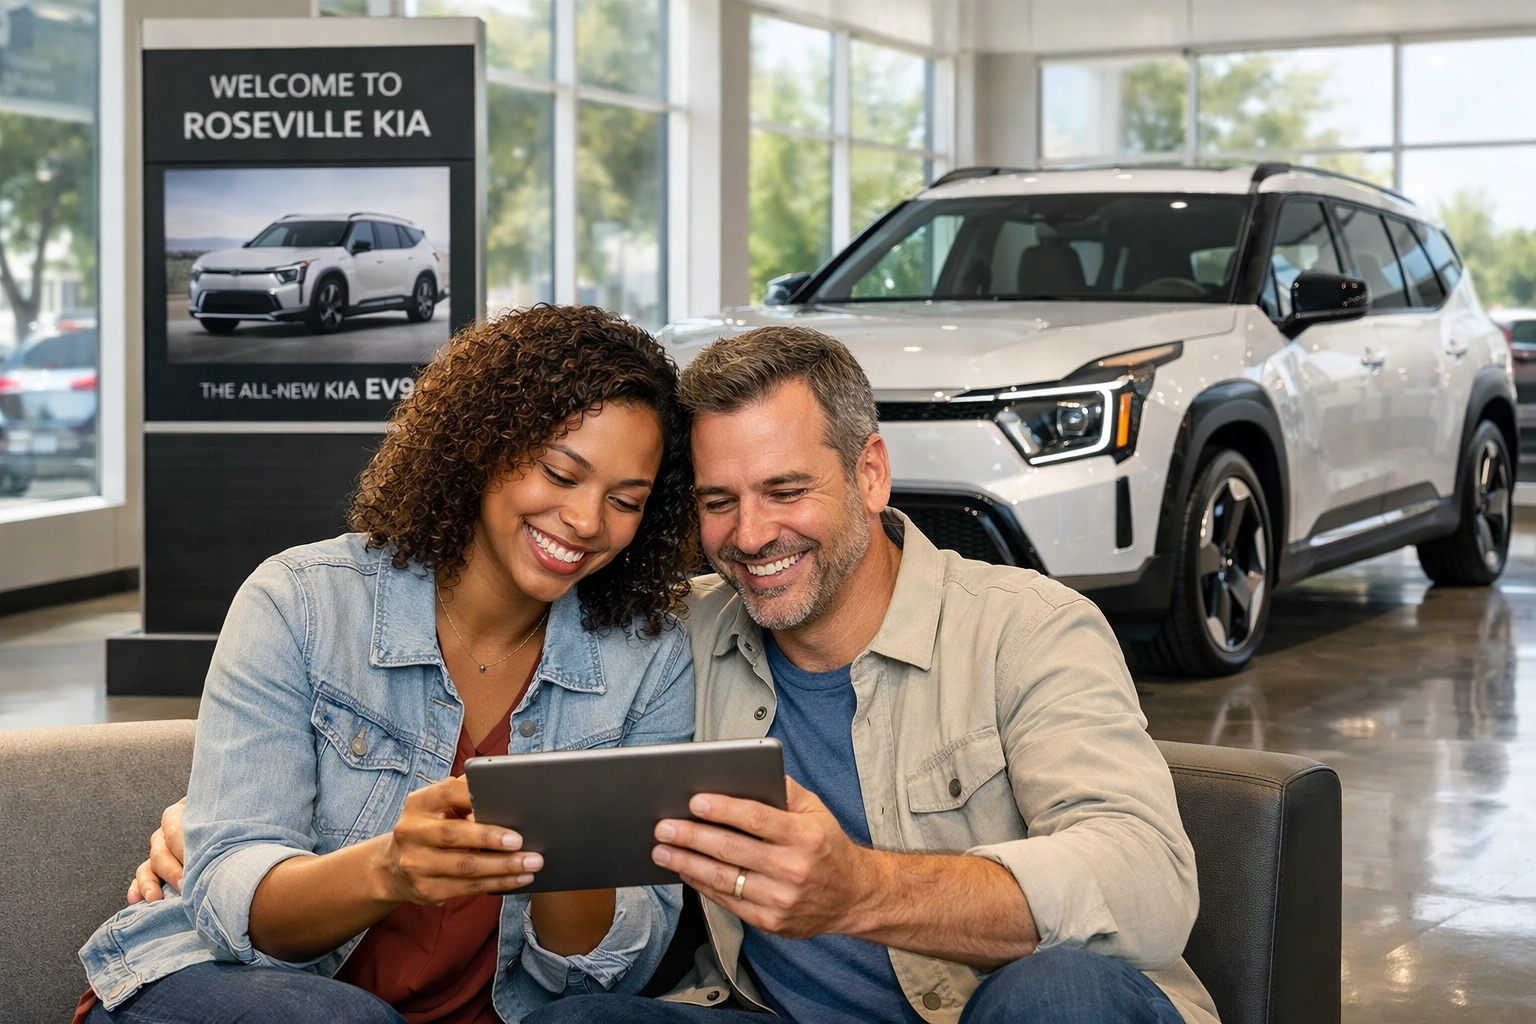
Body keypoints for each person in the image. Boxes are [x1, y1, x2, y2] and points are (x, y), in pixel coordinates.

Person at [132, 326, 1223, 1023]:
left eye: (788, 489)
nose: (752, 537)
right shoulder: (675, 635)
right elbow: (316, 799)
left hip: (990, 1008)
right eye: (715, 502)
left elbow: (1148, 881)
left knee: (1066, 995)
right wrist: (208, 816)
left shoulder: (1031, 629)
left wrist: (866, 889)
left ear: (873, 472)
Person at [77, 305, 701, 1024]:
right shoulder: (300, 603)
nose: (588, 521)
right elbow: (233, 905)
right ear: (482, 445)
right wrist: (390, 870)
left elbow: (613, 970)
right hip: (215, 984)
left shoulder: (648, 660)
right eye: (561, 474)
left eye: (626, 501)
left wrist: (571, 847)